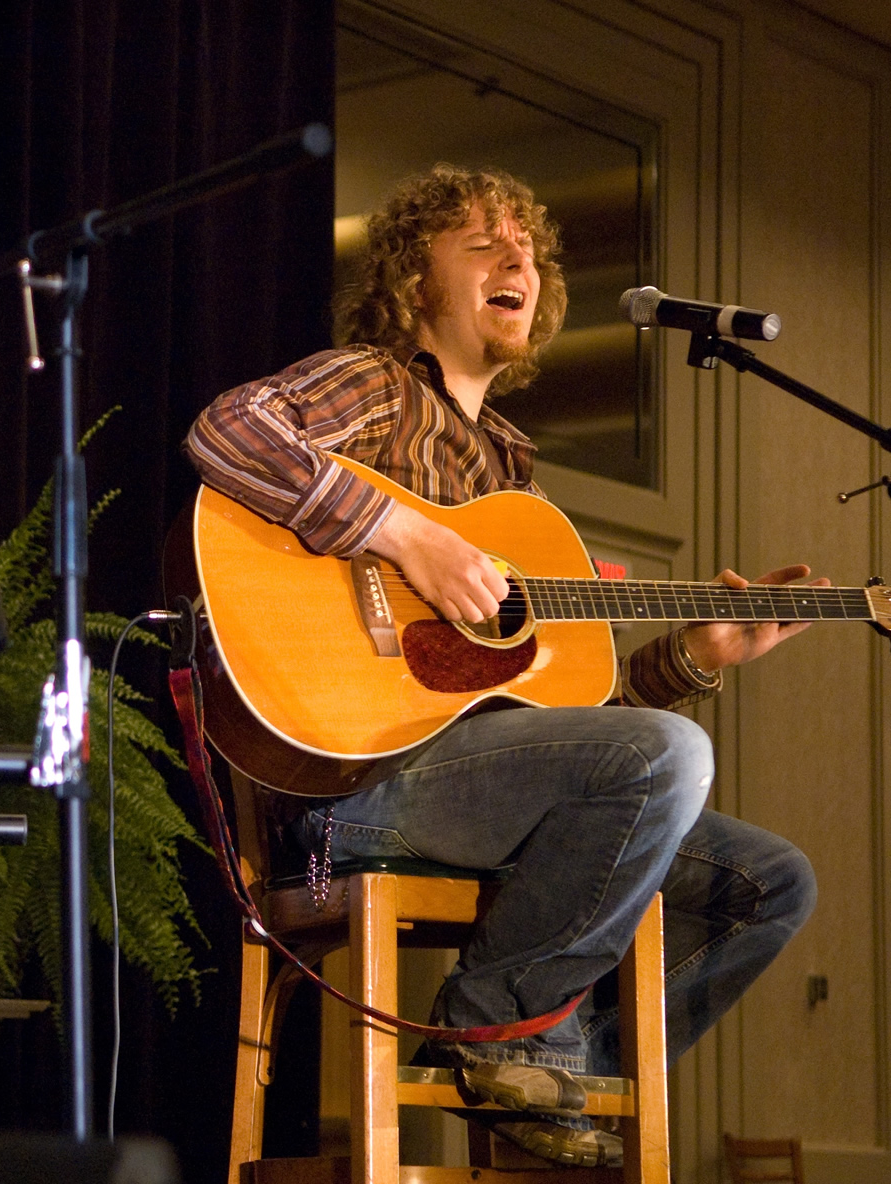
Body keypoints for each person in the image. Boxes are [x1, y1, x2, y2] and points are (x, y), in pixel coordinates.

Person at [184, 164, 818, 1167]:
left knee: (771, 880)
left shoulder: (508, 472)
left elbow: (570, 715)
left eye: (526, 249)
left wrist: (698, 655)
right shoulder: (377, 385)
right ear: (410, 278)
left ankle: (542, 1086)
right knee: (665, 755)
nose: (517, 258)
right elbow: (230, 431)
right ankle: (497, 1022)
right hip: (354, 785)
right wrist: (406, 536)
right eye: (482, 244)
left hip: (479, 783)